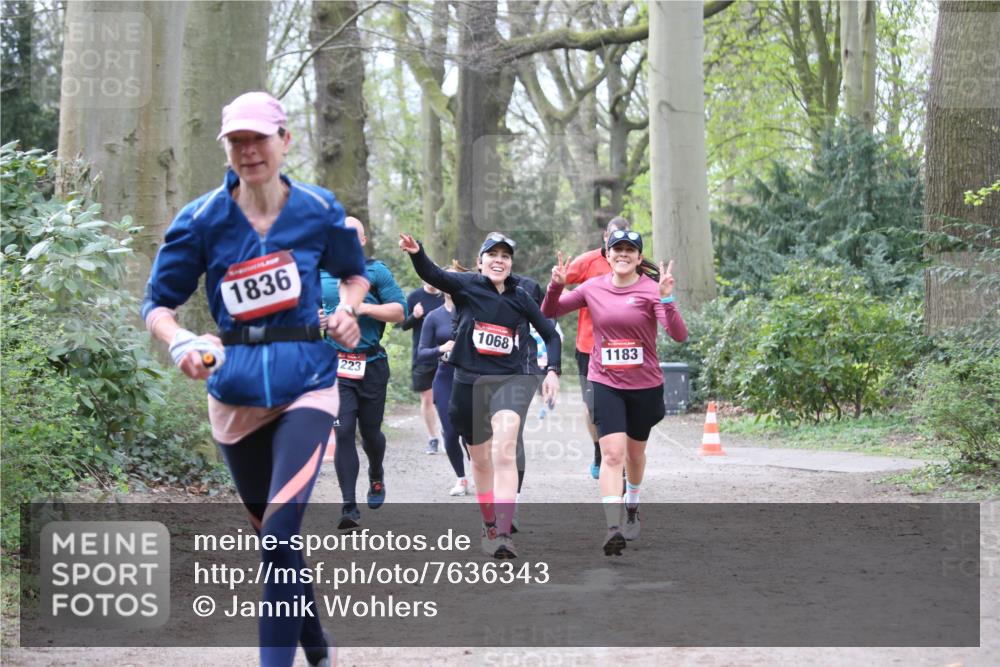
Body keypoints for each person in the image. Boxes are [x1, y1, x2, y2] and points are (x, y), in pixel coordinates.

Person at [141, 91, 364, 666]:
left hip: (308, 384)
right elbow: (157, 306)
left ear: (284, 141)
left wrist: (346, 310)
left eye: (258, 139)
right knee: (276, 541)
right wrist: (182, 341)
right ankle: (315, 644)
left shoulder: (318, 208)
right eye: (236, 141)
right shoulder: (201, 219)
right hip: (235, 395)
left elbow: (353, 275)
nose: (248, 151)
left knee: (279, 535)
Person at [399, 231, 561, 558]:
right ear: (480, 261)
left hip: (510, 379)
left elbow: (550, 333)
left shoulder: (521, 294)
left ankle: (503, 532)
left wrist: (553, 370)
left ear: (511, 263)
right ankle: (489, 522)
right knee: (481, 459)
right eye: (493, 255)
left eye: (505, 256)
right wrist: (418, 252)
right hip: (469, 380)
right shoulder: (466, 285)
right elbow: (433, 274)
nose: (499, 260)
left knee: (504, 450)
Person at [543, 230, 687, 556]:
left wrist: (666, 298)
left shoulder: (651, 290)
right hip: (605, 382)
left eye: (629, 250)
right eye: (616, 249)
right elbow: (549, 311)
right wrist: (556, 285)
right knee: (612, 454)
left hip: (645, 386)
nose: (622, 254)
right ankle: (612, 527)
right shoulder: (592, 287)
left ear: (638, 257)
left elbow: (678, 335)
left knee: (635, 456)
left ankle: (632, 504)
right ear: (607, 255)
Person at [321, 217, 406, 530]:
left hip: (371, 365)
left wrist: (365, 309)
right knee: (343, 431)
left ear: (362, 240)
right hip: (335, 367)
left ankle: (376, 472)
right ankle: (348, 506)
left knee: (370, 433)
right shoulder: (319, 274)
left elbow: (400, 311)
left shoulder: (376, 271)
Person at [563, 216, 631, 479]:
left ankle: (618, 458)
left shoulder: (633, 259)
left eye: (624, 240)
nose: (619, 246)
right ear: (605, 237)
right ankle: (598, 451)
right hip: (589, 346)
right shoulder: (589, 261)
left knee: (623, 403)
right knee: (593, 406)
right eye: (613, 239)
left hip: (624, 346)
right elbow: (561, 280)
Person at [416, 262, 470, 496]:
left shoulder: (473, 311)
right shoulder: (433, 317)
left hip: (472, 377)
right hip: (445, 377)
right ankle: (461, 478)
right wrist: (441, 348)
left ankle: (481, 470)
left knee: (473, 433)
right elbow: (422, 352)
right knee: (450, 432)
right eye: (445, 278)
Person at [401, 282, 445, 453]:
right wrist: (415, 316)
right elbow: (403, 324)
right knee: (427, 399)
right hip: (423, 355)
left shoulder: (446, 295)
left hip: (446, 354)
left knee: (446, 399)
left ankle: (448, 434)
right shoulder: (414, 297)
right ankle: (432, 437)